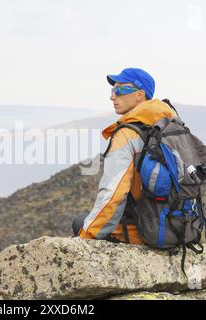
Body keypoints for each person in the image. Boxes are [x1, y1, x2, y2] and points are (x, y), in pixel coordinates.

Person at [72, 67, 178, 244]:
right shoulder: (170, 128)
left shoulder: (128, 135)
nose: (113, 96)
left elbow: (113, 194)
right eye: (113, 90)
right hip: (176, 226)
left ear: (140, 95)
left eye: (121, 90)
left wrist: (84, 239)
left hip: (142, 231)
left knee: (80, 223)